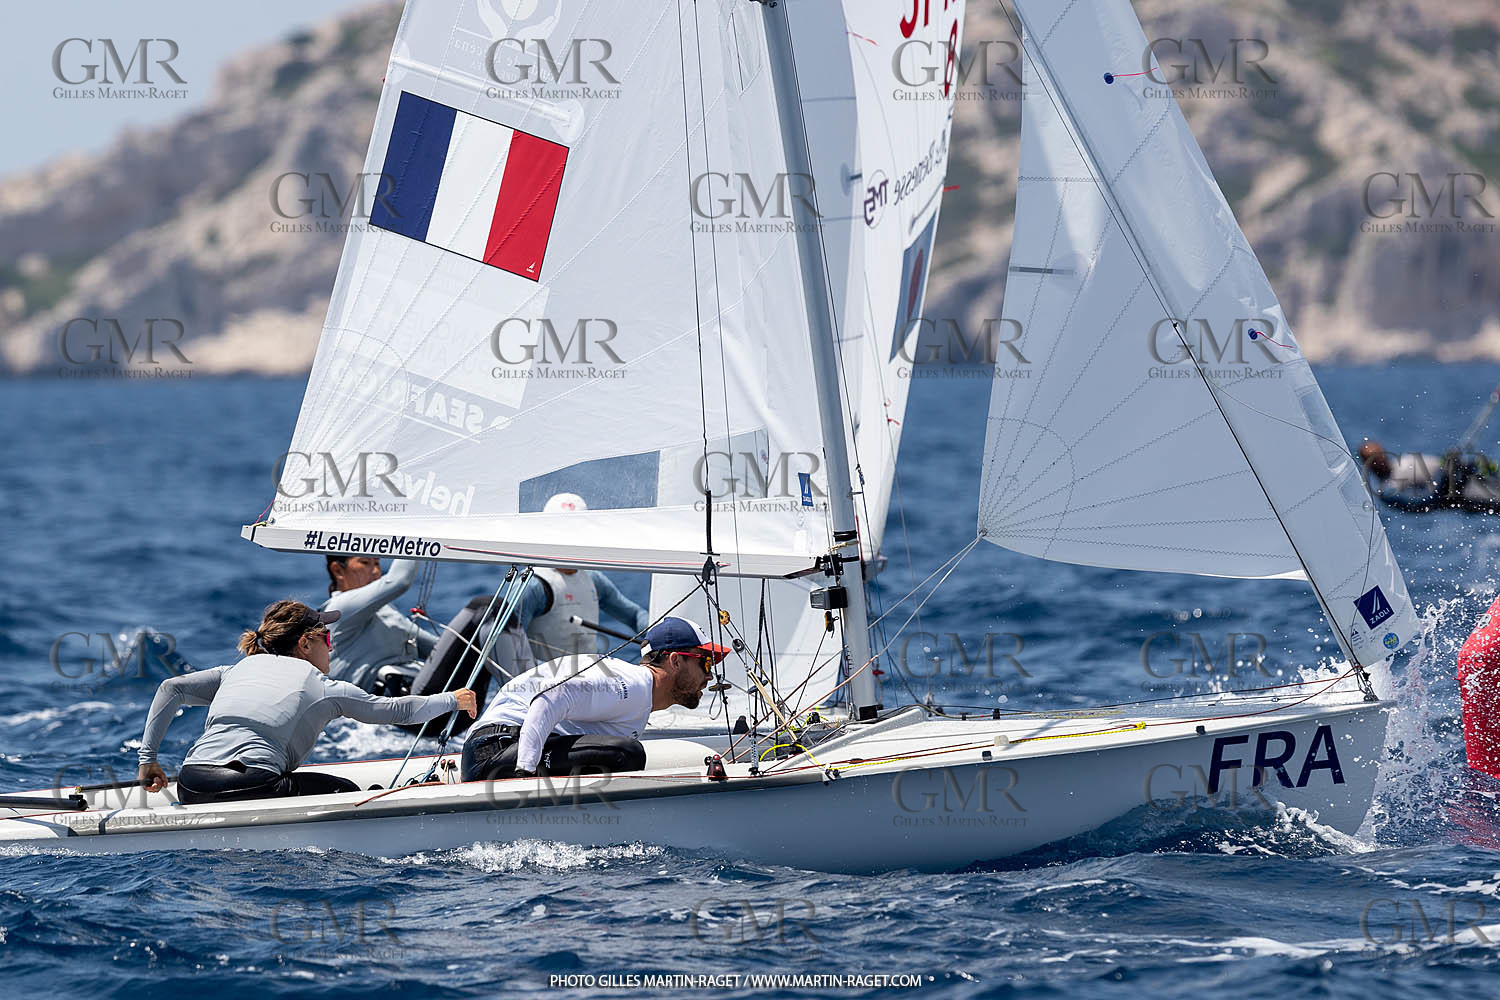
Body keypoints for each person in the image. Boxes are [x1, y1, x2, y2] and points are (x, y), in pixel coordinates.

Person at [136, 600, 477, 805]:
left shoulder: (235, 670)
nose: (331, 645)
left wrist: (148, 760)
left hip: (191, 783)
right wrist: (452, 699)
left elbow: (171, 688)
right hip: (250, 784)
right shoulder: (321, 686)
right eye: (326, 637)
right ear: (304, 644)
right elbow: (396, 711)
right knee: (347, 792)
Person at [460, 616, 728, 781]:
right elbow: (552, 695)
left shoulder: (638, 697)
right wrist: (525, 773)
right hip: (493, 749)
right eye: (705, 663)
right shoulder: (630, 685)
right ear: (675, 661)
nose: (710, 676)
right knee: (627, 753)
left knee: (624, 753)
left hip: (501, 748)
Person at [322, 555, 536, 698]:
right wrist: (414, 529)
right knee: (486, 608)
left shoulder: (383, 612)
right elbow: (399, 580)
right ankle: (530, 708)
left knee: (488, 634)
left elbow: (442, 651)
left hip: (452, 705)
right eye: (365, 563)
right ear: (338, 571)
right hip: (415, 711)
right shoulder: (340, 609)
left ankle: (539, 698)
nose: (376, 572)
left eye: (377, 563)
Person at [526, 493, 651, 662]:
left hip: (586, 683)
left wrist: (658, 635)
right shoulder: (533, 585)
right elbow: (507, 641)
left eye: (576, 531)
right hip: (540, 684)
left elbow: (635, 615)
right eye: (563, 532)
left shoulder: (594, 580)